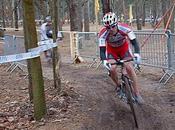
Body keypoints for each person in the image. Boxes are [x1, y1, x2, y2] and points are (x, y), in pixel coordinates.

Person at [98, 12, 144, 104]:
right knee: (112, 68)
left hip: (124, 49)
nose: (111, 29)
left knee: (129, 68)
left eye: (113, 26)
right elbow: (102, 50)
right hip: (112, 51)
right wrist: (104, 60)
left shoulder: (125, 28)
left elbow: (134, 42)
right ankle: (118, 85)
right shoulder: (102, 34)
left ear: (116, 24)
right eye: (108, 27)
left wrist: (137, 54)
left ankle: (136, 93)